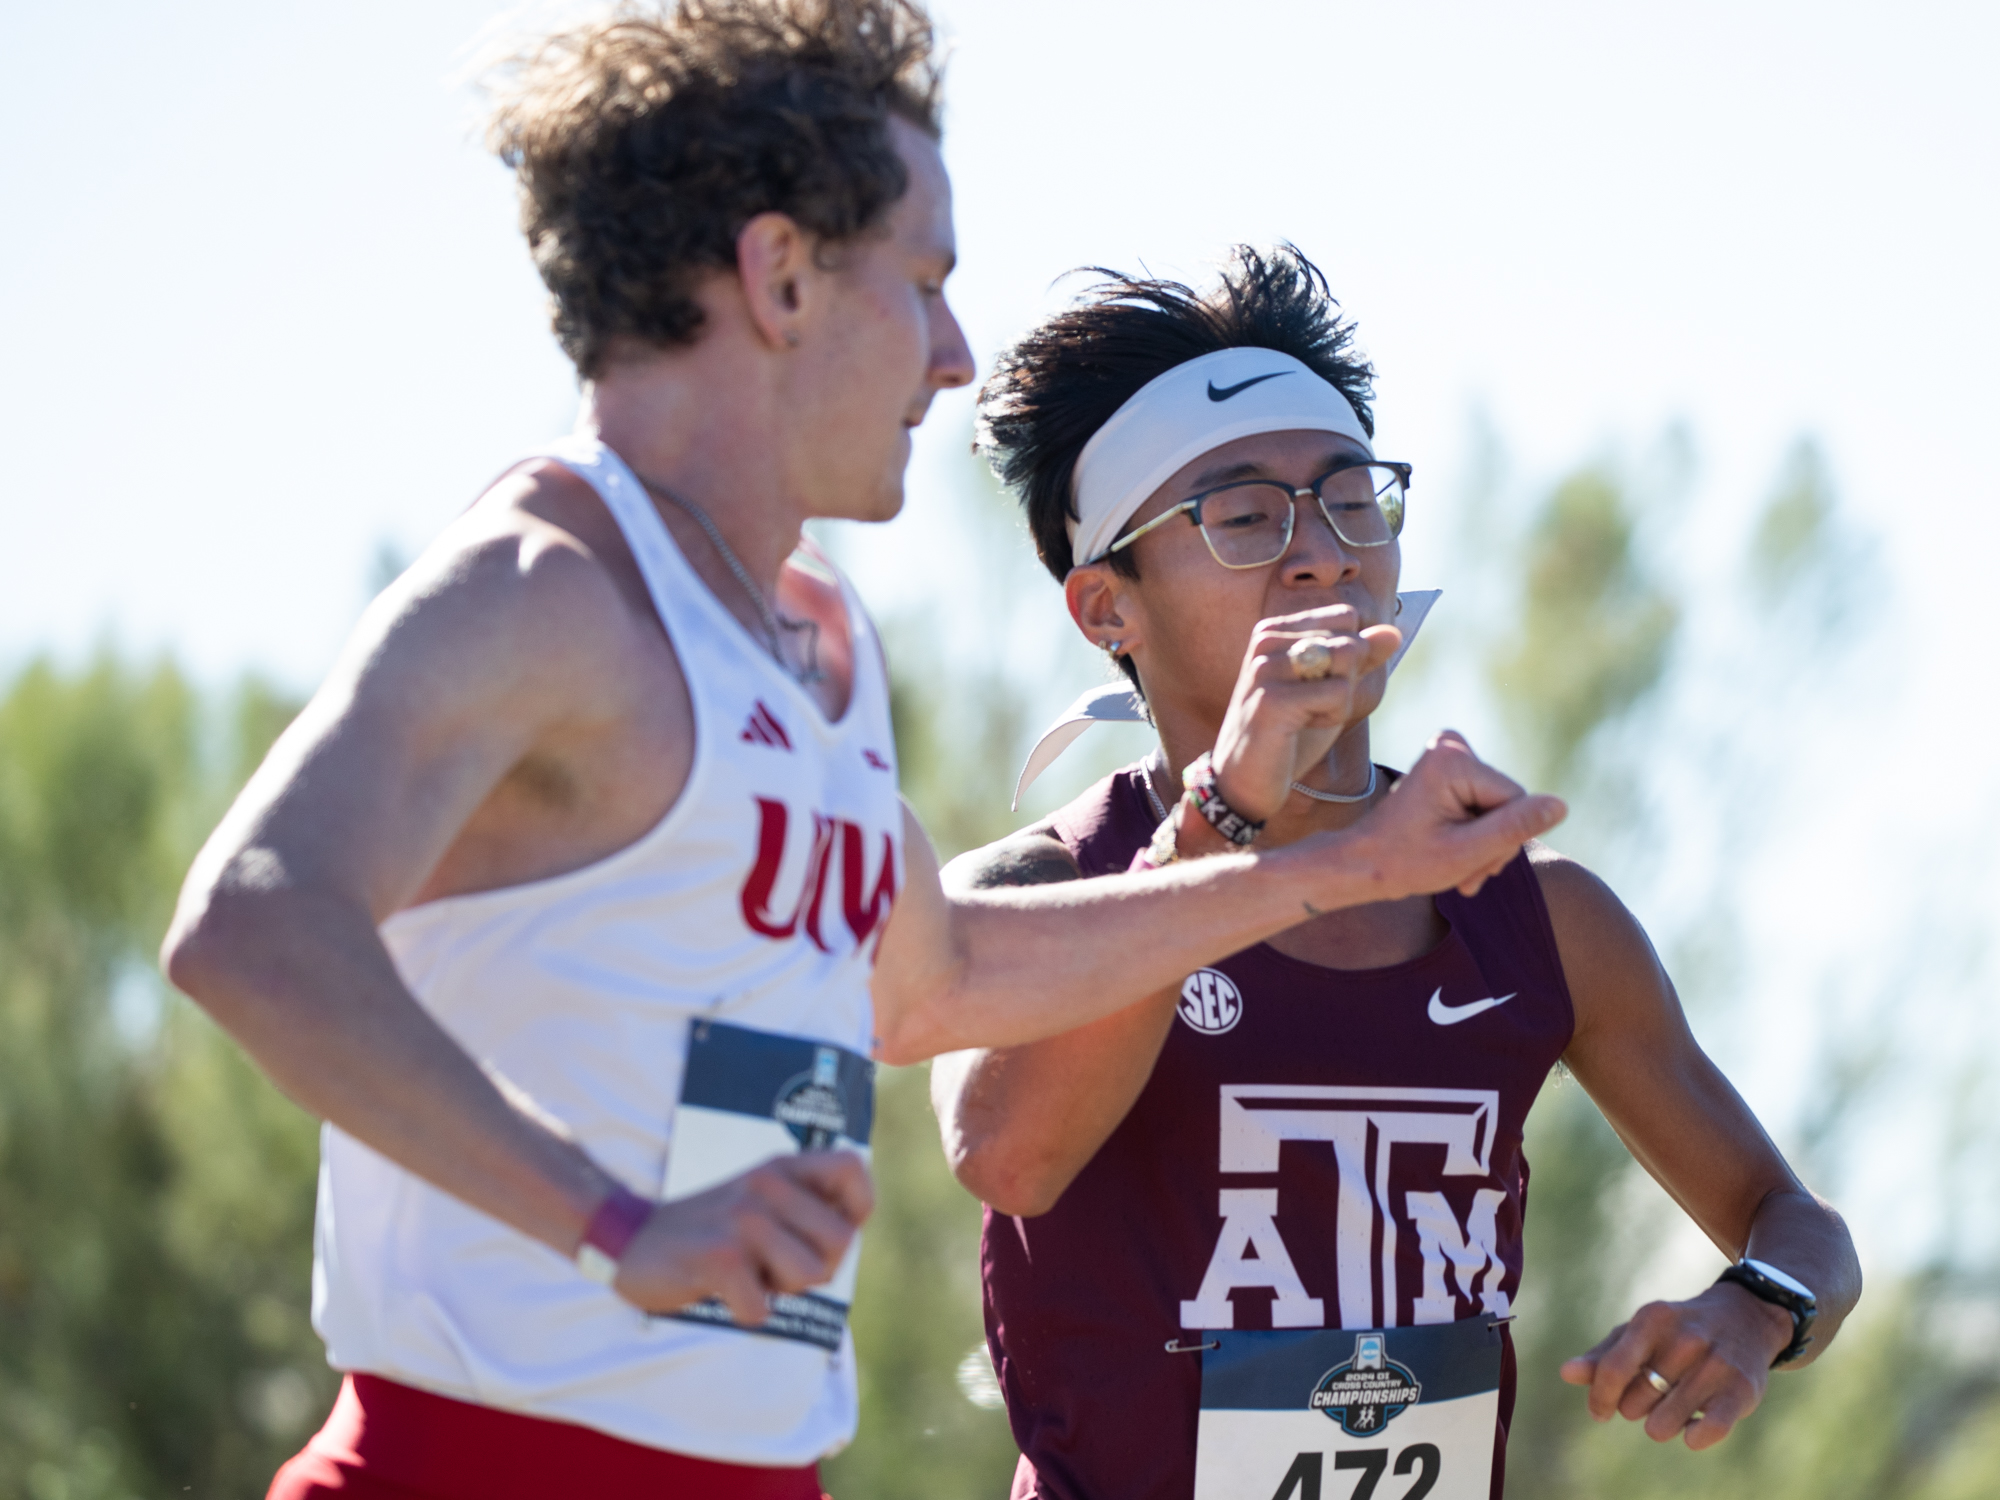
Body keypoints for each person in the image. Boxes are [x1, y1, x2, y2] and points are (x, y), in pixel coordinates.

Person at [159, 9, 1563, 1500]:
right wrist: (614, 1222)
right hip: (470, 1466)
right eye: (926, 283)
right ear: (779, 278)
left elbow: (939, 982)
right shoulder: (550, 578)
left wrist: (1345, 865)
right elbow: (248, 924)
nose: (956, 357)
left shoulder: (815, 637)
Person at [932, 245, 1862, 1500]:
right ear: (1107, 609)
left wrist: (1753, 1311)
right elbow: (1009, 1160)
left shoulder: (1540, 917)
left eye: (1349, 498)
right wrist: (1230, 810)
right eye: (1243, 514)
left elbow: (1796, 1225)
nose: (1319, 552)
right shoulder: (1037, 888)